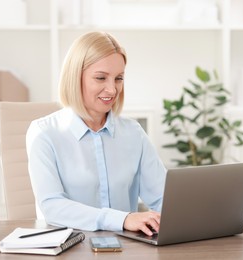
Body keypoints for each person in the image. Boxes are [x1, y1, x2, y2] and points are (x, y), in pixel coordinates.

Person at [26, 31, 167, 236]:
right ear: (75, 78)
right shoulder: (44, 134)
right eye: (101, 78)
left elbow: (163, 198)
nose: (112, 90)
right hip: (68, 247)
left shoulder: (133, 133)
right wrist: (123, 219)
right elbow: (52, 207)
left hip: (126, 250)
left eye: (118, 78)